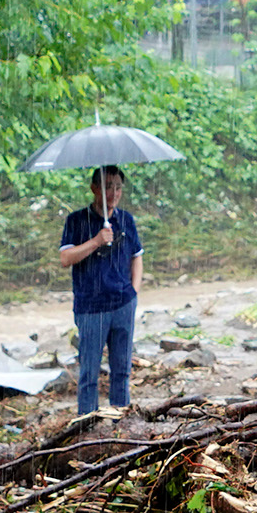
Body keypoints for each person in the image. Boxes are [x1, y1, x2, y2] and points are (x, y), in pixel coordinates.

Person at [56, 163, 143, 420]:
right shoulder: (77, 220)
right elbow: (65, 258)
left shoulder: (126, 220)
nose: (114, 193)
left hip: (122, 304)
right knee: (89, 373)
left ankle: (120, 422)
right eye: (107, 187)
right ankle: (87, 427)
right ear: (94, 188)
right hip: (91, 307)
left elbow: (137, 256)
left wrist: (134, 292)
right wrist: (96, 241)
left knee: (122, 370)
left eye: (118, 187)